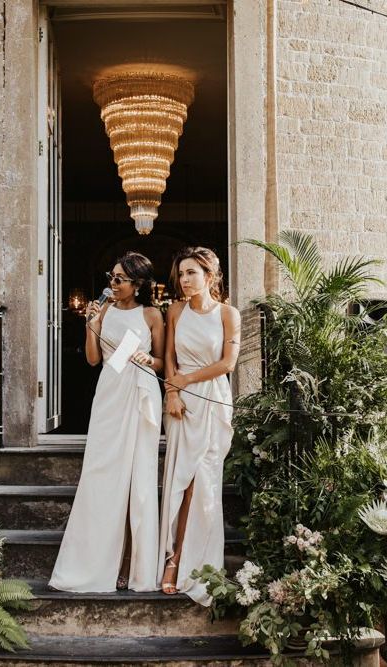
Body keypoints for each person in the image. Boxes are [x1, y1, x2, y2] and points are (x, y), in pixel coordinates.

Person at [49, 252, 164, 592]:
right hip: (109, 394)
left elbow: (161, 362)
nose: (111, 284)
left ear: (138, 284)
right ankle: (95, 561)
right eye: (110, 277)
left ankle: (131, 563)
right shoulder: (105, 311)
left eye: (119, 279)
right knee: (101, 476)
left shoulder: (152, 314)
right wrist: (91, 324)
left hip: (140, 392)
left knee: (138, 479)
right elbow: (93, 359)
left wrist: (147, 358)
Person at [158, 247, 241, 603]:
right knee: (179, 479)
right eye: (180, 274)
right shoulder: (175, 310)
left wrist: (185, 381)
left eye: (191, 273)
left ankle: (185, 563)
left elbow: (227, 363)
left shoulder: (228, 313)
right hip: (180, 403)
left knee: (202, 483)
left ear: (210, 276)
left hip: (212, 400)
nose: (184, 280)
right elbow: (168, 359)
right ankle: (170, 555)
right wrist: (172, 394)